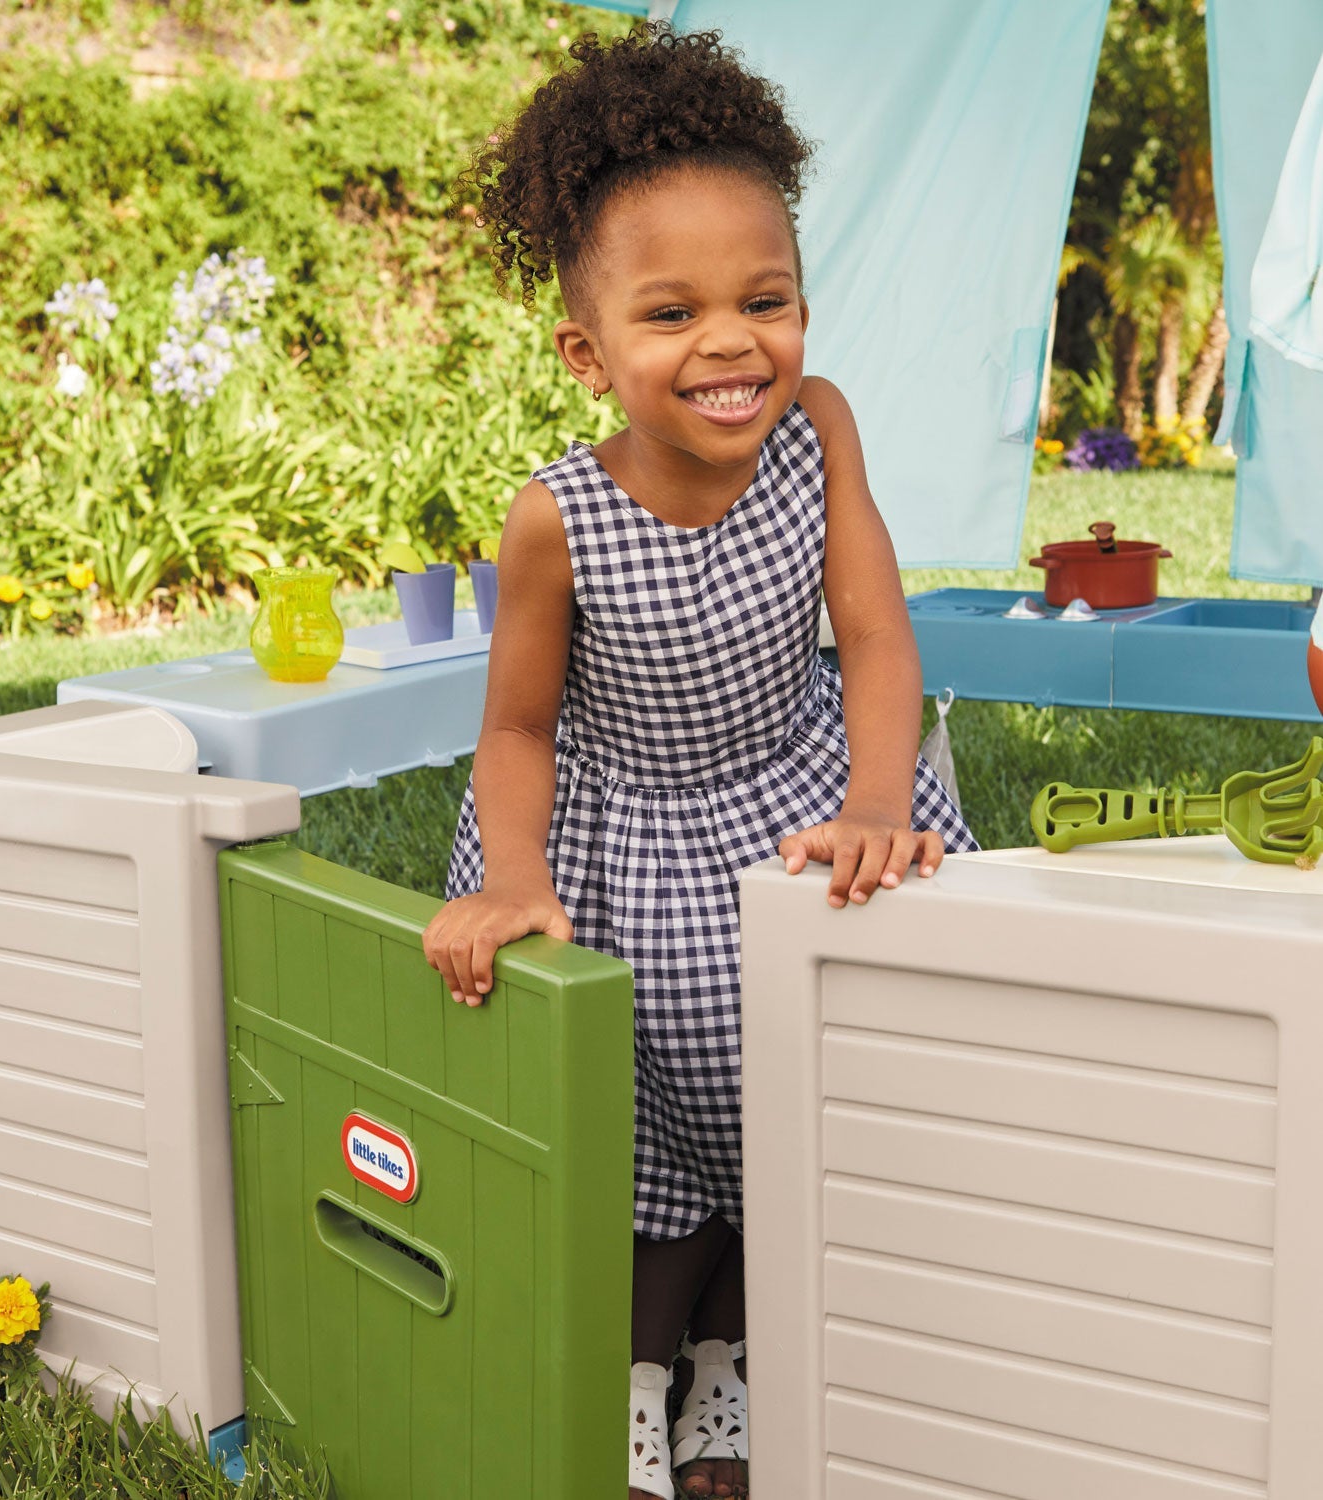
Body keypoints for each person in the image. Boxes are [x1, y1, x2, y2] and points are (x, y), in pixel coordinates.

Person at [422, 23, 976, 1500]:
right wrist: (519, 882)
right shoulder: (556, 519)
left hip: (800, 792)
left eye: (767, 299)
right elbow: (519, 729)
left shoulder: (820, 430)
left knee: (793, 1107)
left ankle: (733, 1378)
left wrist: (876, 802)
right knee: (649, 1139)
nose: (732, 343)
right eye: (671, 314)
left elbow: (871, 640)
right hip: (630, 840)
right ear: (588, 351)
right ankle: (632, 1377)